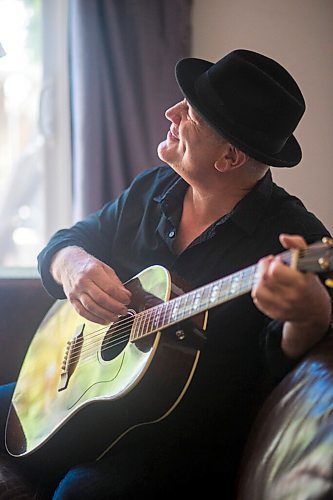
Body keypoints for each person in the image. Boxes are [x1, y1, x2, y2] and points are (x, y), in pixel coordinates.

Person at [0, 49, 332, 499]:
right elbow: (68, 241)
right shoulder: (154, 188)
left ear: (230, 157)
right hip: (82, 393)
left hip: (177, 438)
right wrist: (73, 264)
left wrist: (310, 317)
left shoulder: (297, 240)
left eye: (190, 114)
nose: (170, 113)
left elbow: (280, 365)